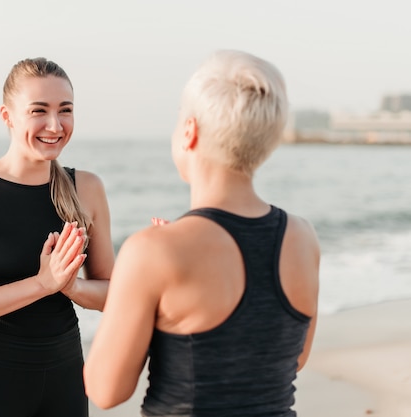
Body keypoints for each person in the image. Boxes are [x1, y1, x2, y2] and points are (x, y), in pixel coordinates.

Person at [84, 50, 320, 417]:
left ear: (189, 131)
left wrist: (143, 291)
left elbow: (105, 390)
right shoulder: (304, 238)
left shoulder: (152, 251)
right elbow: (294, 358)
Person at [0, 57, 115, 417]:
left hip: (67, 381)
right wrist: (44, 283)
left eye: (66, 110)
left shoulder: (87, 188)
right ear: (7, 116)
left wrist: (72, 288)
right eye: (38, 111)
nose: (55, 125)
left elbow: (111, 292)